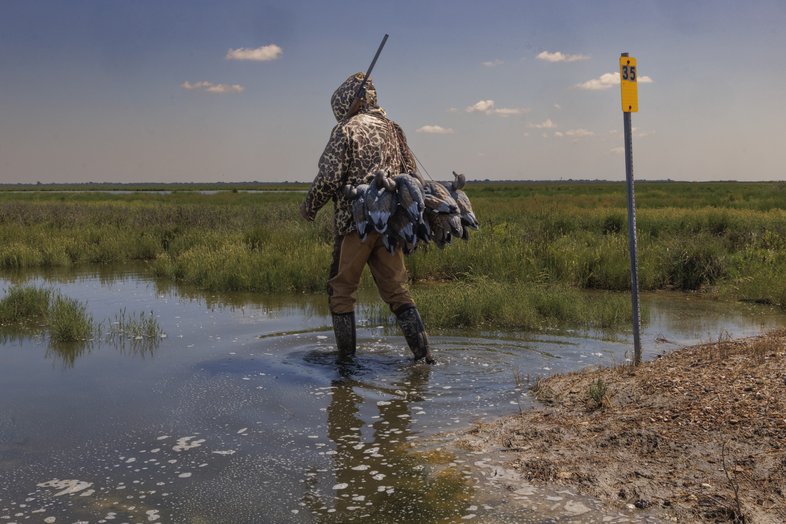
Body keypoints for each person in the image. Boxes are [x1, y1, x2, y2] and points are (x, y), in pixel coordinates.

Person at [300, 72, 434, 364]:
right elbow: (411, 172)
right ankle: (424, 358)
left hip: (355, 225)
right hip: (390, 227)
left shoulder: (346, 129)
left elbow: (329, 176)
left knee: (341, 289)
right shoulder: (394, 129)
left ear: (350, 100)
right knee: (398, 291)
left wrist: (310, 206)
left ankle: (346, 367)